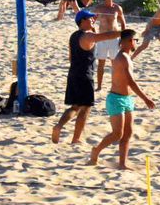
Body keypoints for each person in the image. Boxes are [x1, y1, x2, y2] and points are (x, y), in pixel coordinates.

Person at [88, 29, 156, 170]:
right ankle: (96, 150)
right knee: (117, 133)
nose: (135, 43)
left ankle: (122, 163)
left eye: (135, 40)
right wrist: (146, 98)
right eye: (133, 40)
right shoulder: (122, 58)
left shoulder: (128, 57)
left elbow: (130, 84)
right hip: (116, 99)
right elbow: (131, 82)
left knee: (128, 133)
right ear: (127, 41)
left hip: (127, 99)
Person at [52, 10, 122, 144]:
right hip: (85, 75)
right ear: (82, 21)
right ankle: (76, 138)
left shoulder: (74, 36)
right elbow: (106, 36)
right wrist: (121, 33)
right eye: (89, 19)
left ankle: (58, 126)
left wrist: (92, 27)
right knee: (86, 108)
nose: (92, 20)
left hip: (73, 73)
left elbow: (70, 57)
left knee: (75, 107)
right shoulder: (88, 36)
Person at [93, 0, 127, 91]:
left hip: (114, 37)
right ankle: (99, 86)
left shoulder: (117, 8)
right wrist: (93, 33)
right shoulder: (99, 8)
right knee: (101, 63)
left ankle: (115, 85)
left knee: (115, 63)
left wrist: (123, 38)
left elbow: (123, 23)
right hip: (102, 37)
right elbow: (91, 21)